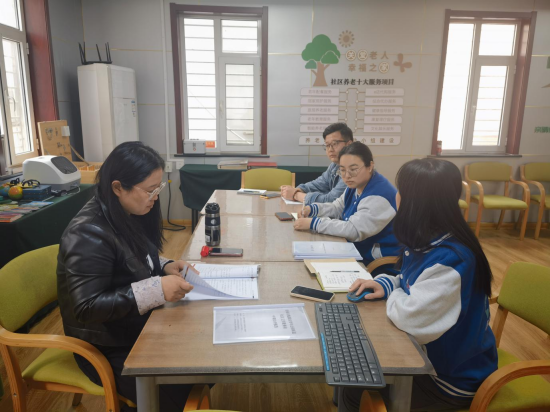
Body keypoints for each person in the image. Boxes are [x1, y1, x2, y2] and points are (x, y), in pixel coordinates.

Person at [342, 158, 497, 411]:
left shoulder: (452, 261)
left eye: (401, 190)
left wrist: (395, 294)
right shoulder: (431, 238)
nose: (396, 195)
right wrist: (388, 284)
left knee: (354, 381)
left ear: (415, 202)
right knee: (351, 372)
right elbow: (411, 281)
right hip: (428, 356)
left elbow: (410, 317)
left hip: (448, 380)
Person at [57, 141, 197, 411]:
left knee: (200, 362)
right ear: (118, 187)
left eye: (158, 188)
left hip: (133, 326)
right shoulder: (87, 233)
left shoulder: (127, 210)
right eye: (149, 190)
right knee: (182, 385)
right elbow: (87, 307)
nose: (155, 196)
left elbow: (132, 258)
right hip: (105, 345)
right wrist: (157, 289)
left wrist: (165, 266)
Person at [293, 141, 400, 267]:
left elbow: (353, 230)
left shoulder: (379, 195)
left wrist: (314, 223)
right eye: (342, 170)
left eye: (353, 169)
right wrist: (313, 209)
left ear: (370, 166)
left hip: (375, 263)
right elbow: (337, 207)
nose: (347, 176)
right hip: (354, 250)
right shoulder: (356, 184)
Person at [281, 122, 353, 203]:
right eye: (327, 145)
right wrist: (298, 189)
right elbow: (318, 185)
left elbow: (331, 200)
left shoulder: (352, 169)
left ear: (349, 144)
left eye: (334, 144)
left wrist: (295, 195)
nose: (330, 149)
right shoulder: (334, 166)